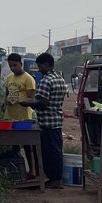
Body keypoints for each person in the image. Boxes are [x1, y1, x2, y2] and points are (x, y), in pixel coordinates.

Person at [20, 53, 68, 189]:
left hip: (47, 122)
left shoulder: (46, 80)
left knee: (49, 152)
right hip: (56, 120)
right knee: (56, 151)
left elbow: (43, 102)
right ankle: (56, 178)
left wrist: (28, 103)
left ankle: (54, 180)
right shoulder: (60, 78)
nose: (39, 69)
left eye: (40, 66)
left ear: (46, 65)